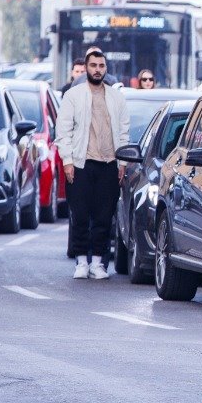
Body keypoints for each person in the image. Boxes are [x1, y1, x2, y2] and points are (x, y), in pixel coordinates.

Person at [57, 48, 129, 281]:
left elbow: (124, 132)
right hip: (81, 163)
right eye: (93, 66)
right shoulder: (73, 96)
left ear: (106, 69)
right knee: (79, 214)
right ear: (86, 68)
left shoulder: (116, 97)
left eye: (101, 66)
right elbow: (63, 131)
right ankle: (81, 261)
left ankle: (98, 263)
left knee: (104, 215)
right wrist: (67, 161)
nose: (97, 70)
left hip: (109, 163)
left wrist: (123, 162)